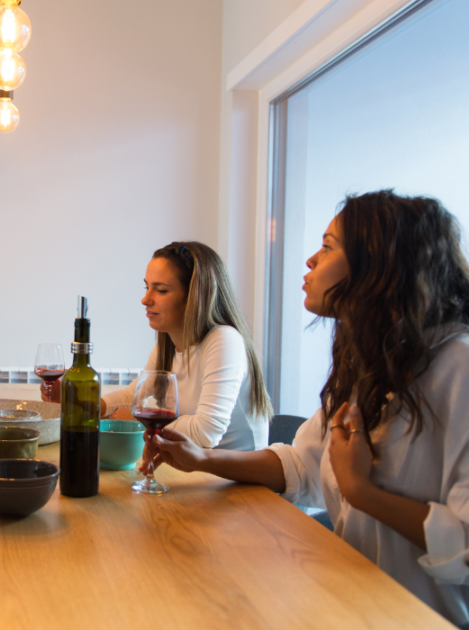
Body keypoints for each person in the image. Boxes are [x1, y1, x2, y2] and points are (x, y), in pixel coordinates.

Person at [150, 191, 469, 626]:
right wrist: (204, 460)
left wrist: (364, 494)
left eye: (328, 246)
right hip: (348, 601)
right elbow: (301, 465)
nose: (310, 261)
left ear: (380, 263)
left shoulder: (459, 370)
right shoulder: (369, 365)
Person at [42, 241, 271, 451]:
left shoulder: (223, 341)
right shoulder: (168, 345)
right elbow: (132, 397)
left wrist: (136, 420)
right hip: (197, 473)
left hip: (238, 485)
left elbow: (206, 432)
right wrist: (79, 403)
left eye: (161, 290)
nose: (146, 299)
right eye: (147, 288)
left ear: (195, 296)